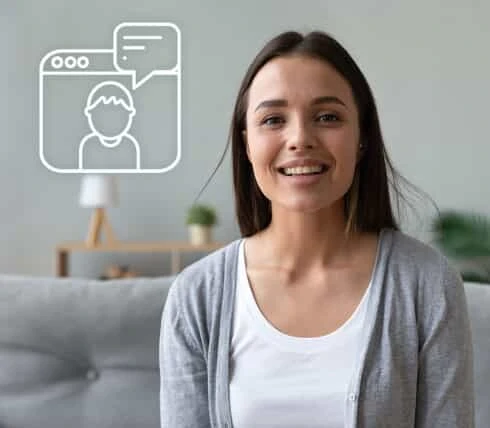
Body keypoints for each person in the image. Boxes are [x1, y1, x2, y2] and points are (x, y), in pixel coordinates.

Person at [159, 30, 474, 428]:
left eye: (327, 117)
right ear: (246, 143)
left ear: (362, 138)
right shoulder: (196, 298)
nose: (300, 139)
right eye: (273, 120)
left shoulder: (427, 285)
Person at [79, 80, 140, 170]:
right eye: (102, 114)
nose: (109, 120)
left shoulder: (129, 145)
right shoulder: (89, 144)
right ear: (90, 113)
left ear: (129, 114)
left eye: (117, 114)